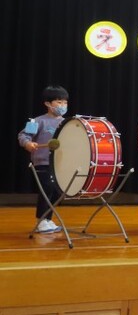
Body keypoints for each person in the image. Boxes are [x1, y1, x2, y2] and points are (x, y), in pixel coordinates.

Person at [17, 85, 69, 233]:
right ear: (47, 103)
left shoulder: (66, 123)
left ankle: (47, 219)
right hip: (43, 162)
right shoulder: (37, 121)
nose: (63, 105)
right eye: (59, 102)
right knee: (47, 189)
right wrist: (28, 143)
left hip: (59, 164)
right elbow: (23, 135)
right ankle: (41, 221)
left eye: (65, 102)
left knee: (57, 192)